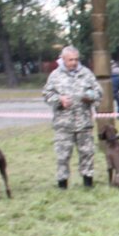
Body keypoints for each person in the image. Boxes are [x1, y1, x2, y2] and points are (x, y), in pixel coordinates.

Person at [42, 45, 102, 189]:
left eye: (76, 59)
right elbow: (47, 94)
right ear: (63, 59)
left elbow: (98, 92)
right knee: (62, 155)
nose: (74, 62)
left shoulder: (86, 73)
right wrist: (59, 99)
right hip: (63, 124)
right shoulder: (55, 75)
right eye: (70, 60)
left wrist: (90, 96)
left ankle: (88, 182)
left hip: (84, 123)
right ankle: (62, 184)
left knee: (87, 153)